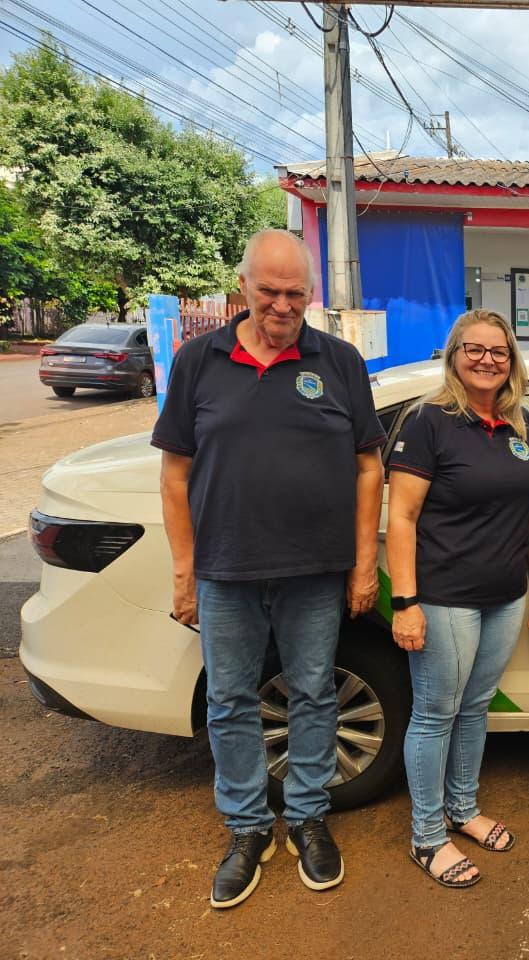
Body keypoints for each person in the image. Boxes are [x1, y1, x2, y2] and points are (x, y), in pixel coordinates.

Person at [152, 229, 385, 908]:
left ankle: (308, 817)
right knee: (229, 702)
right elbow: (176, 474)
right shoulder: (199, 361)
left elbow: (369, 466)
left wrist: (363, 563)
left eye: (295, 294)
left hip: (315, 570)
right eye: (269, 291)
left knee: (314, 692)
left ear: (311, 294)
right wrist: (182, 572)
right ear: (243, 285)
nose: (282, 306)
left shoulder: (339, 362)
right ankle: (248, 828)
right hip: (225, 571)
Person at [385, 309, 529, 889]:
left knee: (475, 707)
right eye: (474, 349)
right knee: (435, 714)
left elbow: (525, 510)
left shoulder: (519, 423)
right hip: (445, 594)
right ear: (454, 354)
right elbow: (401, 517)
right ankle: (428, 837)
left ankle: (463, 808)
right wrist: (406, 602)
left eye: (499, 352)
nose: (487, 360)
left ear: (512, 361)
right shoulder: (429, 420)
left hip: (504, 593)